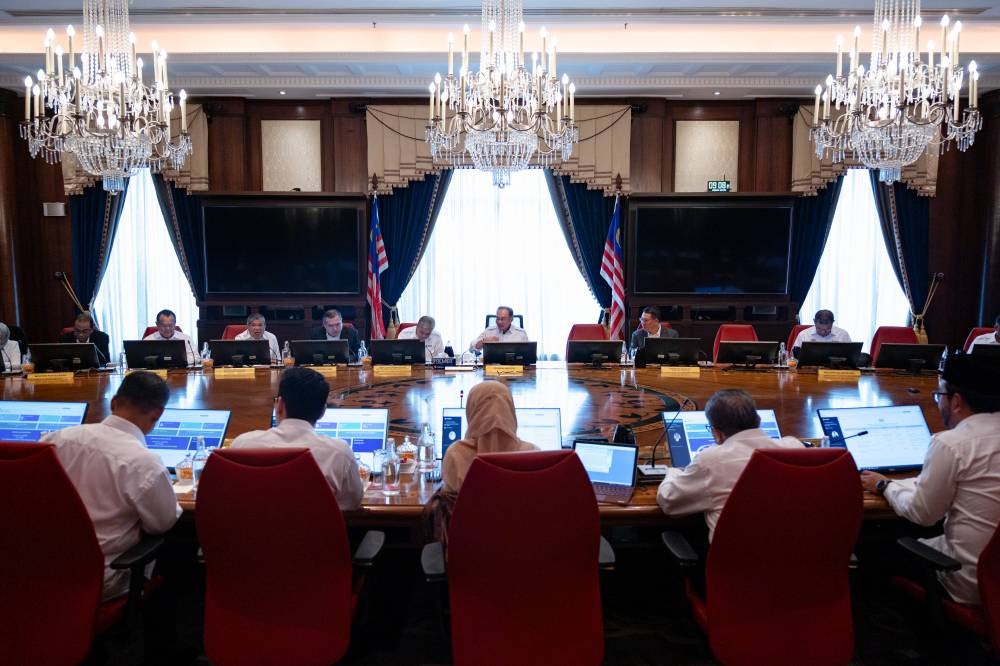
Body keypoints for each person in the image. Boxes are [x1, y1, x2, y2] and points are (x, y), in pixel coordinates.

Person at [861, 353, 1000, 604]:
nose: (938, 403)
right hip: (992, 570)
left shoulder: (952, 444)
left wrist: (884, 485)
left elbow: (922, 514)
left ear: (956, 402)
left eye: (940, 396)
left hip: (969, 581)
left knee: (870, 545)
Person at [40, 371, 181, 600]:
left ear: (114, 402)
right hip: (103, 578)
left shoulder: (54, 440)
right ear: (157, 414)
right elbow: (162, 524)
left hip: (39, 569)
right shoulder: (144, 462)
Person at [656, 389, 804, 541]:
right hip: (796, 556)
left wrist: (673, 472)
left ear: (716, 434)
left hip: (735, 559)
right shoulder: (796, 448)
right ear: (758, 420)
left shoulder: (710, 461)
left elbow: (668, 502)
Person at [230, 366, 364, 511]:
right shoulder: (339, 453)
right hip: (315, 533)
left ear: (279, 405)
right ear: (322, 412)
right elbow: (352, 504)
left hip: (251, 533)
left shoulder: (241, 445)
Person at [442, 381, 539, 493]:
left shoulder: (455, 455)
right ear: (511, 409)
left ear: (471, 410)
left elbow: (449, 506)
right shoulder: (533, 454)